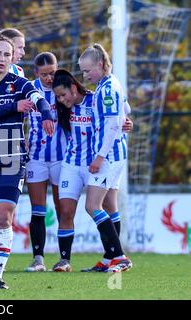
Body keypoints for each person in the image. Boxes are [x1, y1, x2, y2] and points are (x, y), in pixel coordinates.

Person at [0, 35, 54, 289]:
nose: (3, 59)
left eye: (7, 54)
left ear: (12, 57)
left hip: (12, 159)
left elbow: (39, 98)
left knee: (4, 217)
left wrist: (46, 112)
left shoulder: (21, 83)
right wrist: (14, 105)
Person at [51, 69, 134, 272]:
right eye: (58, 97)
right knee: (66, 210)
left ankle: (113, 256)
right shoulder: (63, 109)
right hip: (71, 163)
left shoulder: (95, 99)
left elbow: (121, 113)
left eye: (63, 95)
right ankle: (64, 260)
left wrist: (126, 123)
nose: (61, 100)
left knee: (107, 206)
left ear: (73, 88)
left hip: (96, 163)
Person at [78, 43, 133, 272]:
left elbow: (111, 126)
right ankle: (110, 256)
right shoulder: (107, 83)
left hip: (109, 155)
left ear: (100, 65)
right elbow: (126, 111)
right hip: (115, 152)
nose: (85, 75)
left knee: (92, 206)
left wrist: (99, 157)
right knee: (110, 204)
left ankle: (119, 257)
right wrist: (126, 121)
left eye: (87, 70)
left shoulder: (108, 88)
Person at [25, 52, 67, 272]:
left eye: (52, 73)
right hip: (36, 158)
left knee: (63, 208)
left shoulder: (66, 87)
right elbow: (18, 116)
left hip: (62, 158)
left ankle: (64, 259)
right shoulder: (30, 89)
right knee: (38, 209)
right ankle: (38, 258)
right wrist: (21, 138)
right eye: (44, 75)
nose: (49, 78)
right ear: (36, 73)